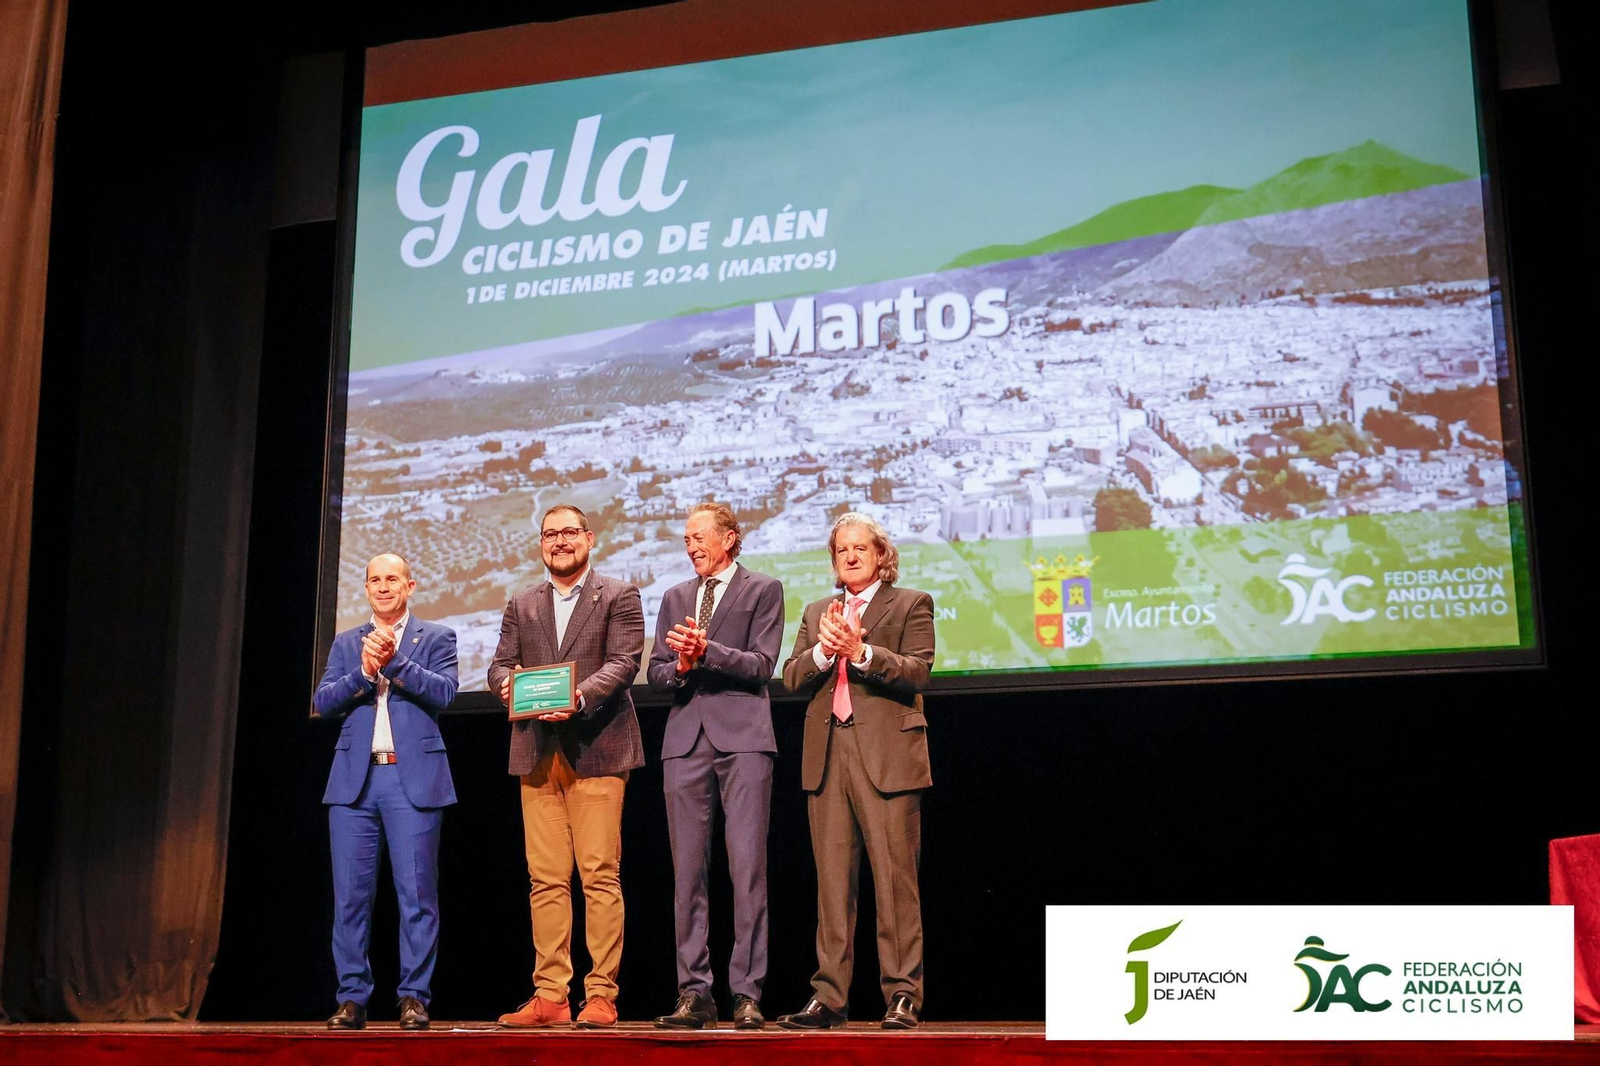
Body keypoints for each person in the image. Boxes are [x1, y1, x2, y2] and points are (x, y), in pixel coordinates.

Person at [776, 513, 935, 1030]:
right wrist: (826, 650)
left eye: (860, 548)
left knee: (895, 883)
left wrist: (861, 652)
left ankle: (903, 995)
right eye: (841, 549)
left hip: (886, 755)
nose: (850, 556)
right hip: (828, 755)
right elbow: (792, 676)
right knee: (832, 884)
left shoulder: (910, 603)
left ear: (880, 555)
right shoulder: (818, 610)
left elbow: (918, 670)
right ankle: (830, 997)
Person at [489, 504, 645, 1029]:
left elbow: (624, 664)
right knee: (545, 879)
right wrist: (506, 685)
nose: (560, 541)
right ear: (541, 543)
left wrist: (578, 696)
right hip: (536, 753)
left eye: (569, 532)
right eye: (550, 534)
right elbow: (499, 664)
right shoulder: (521, 602)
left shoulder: (618, 594)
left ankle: (600, 993)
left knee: (600, 874)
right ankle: (551, 994)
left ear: (589, 538)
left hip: (597, 748)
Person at [646, 503, 785, 1030]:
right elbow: (659, 675)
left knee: (746, 870)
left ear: (729, 538)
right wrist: (681, 665)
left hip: (744, 738)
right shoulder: (676, 597)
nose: (691, 546)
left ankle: (746, 993)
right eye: (686, 539)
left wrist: (708, 651)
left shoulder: (762, 589)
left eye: (699, 536)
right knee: (688, 874)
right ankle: (694, 992)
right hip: (684, 742)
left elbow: (762, 665)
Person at [312, 553, 459, 1031]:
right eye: (374, 579)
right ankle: (352, 997)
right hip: (355, 783)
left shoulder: (436, 637)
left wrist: (394, 665)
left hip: (410, 780)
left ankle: (413, 997)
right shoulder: (346, 641)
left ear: (410, 585)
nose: (382, 586)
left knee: (417, 895)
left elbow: (445, 693)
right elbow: (324, 701)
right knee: (350, 898)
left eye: (391, 578)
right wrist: (362, 672)